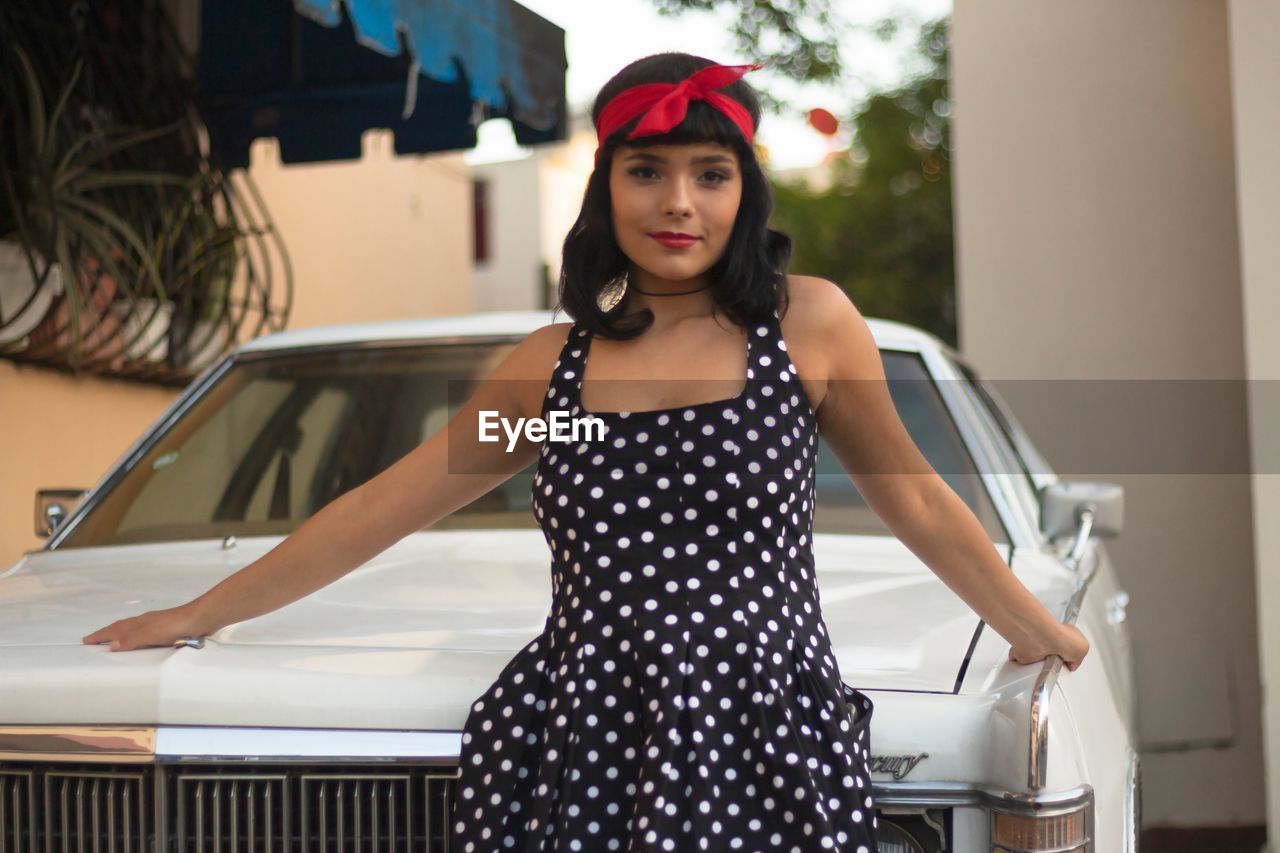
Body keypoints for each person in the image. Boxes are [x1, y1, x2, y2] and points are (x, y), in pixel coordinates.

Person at [84, 52, 1089, 853]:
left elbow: (909, 499)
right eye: (644, 170)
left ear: (745, 188)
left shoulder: (808, 327)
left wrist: (1031, 624)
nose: (677, 203)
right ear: (603, 184)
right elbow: (384, 506)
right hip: (590, 731)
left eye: (710, 173)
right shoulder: (552, 378)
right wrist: (197, 612)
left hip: (763, 722)